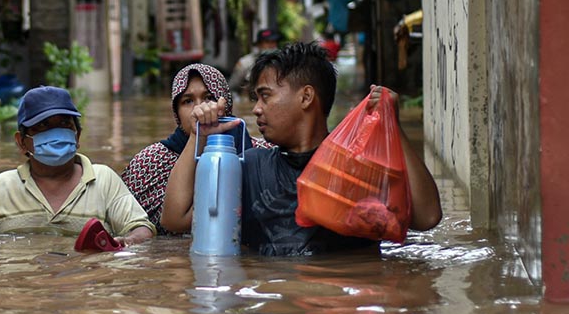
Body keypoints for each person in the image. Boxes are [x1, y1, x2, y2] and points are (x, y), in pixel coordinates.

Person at [161, 42, 442, 256]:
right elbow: (175, 219)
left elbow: (427, 217)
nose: (257, 109)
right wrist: (199, 136)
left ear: (306, 97)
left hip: (342, 312)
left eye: (265, 96)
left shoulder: (359, 167)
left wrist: (393, 127)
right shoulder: (250, 167)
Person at [0, 86, 155, 245]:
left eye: (65, 124)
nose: (56, 133)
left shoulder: (103, 180)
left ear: (77, 136)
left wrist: (126, 242)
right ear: (21, 142)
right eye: (42, 126)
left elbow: (142, 230)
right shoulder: (2, 187)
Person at [121, 63, 268, 234]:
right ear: (176, 111)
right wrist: (196, 137)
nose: (199, 109)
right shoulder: (149, 162)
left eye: (208, 98)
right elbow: (129, 224)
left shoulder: (263, 154)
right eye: (188, 101)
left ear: (225, 103)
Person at [229, 28, 281, 95]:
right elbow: (232, 86)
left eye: (273, 42)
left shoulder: (281, 62)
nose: (271, 45)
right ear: (259, 45)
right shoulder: (245, 63)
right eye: (267, 42)